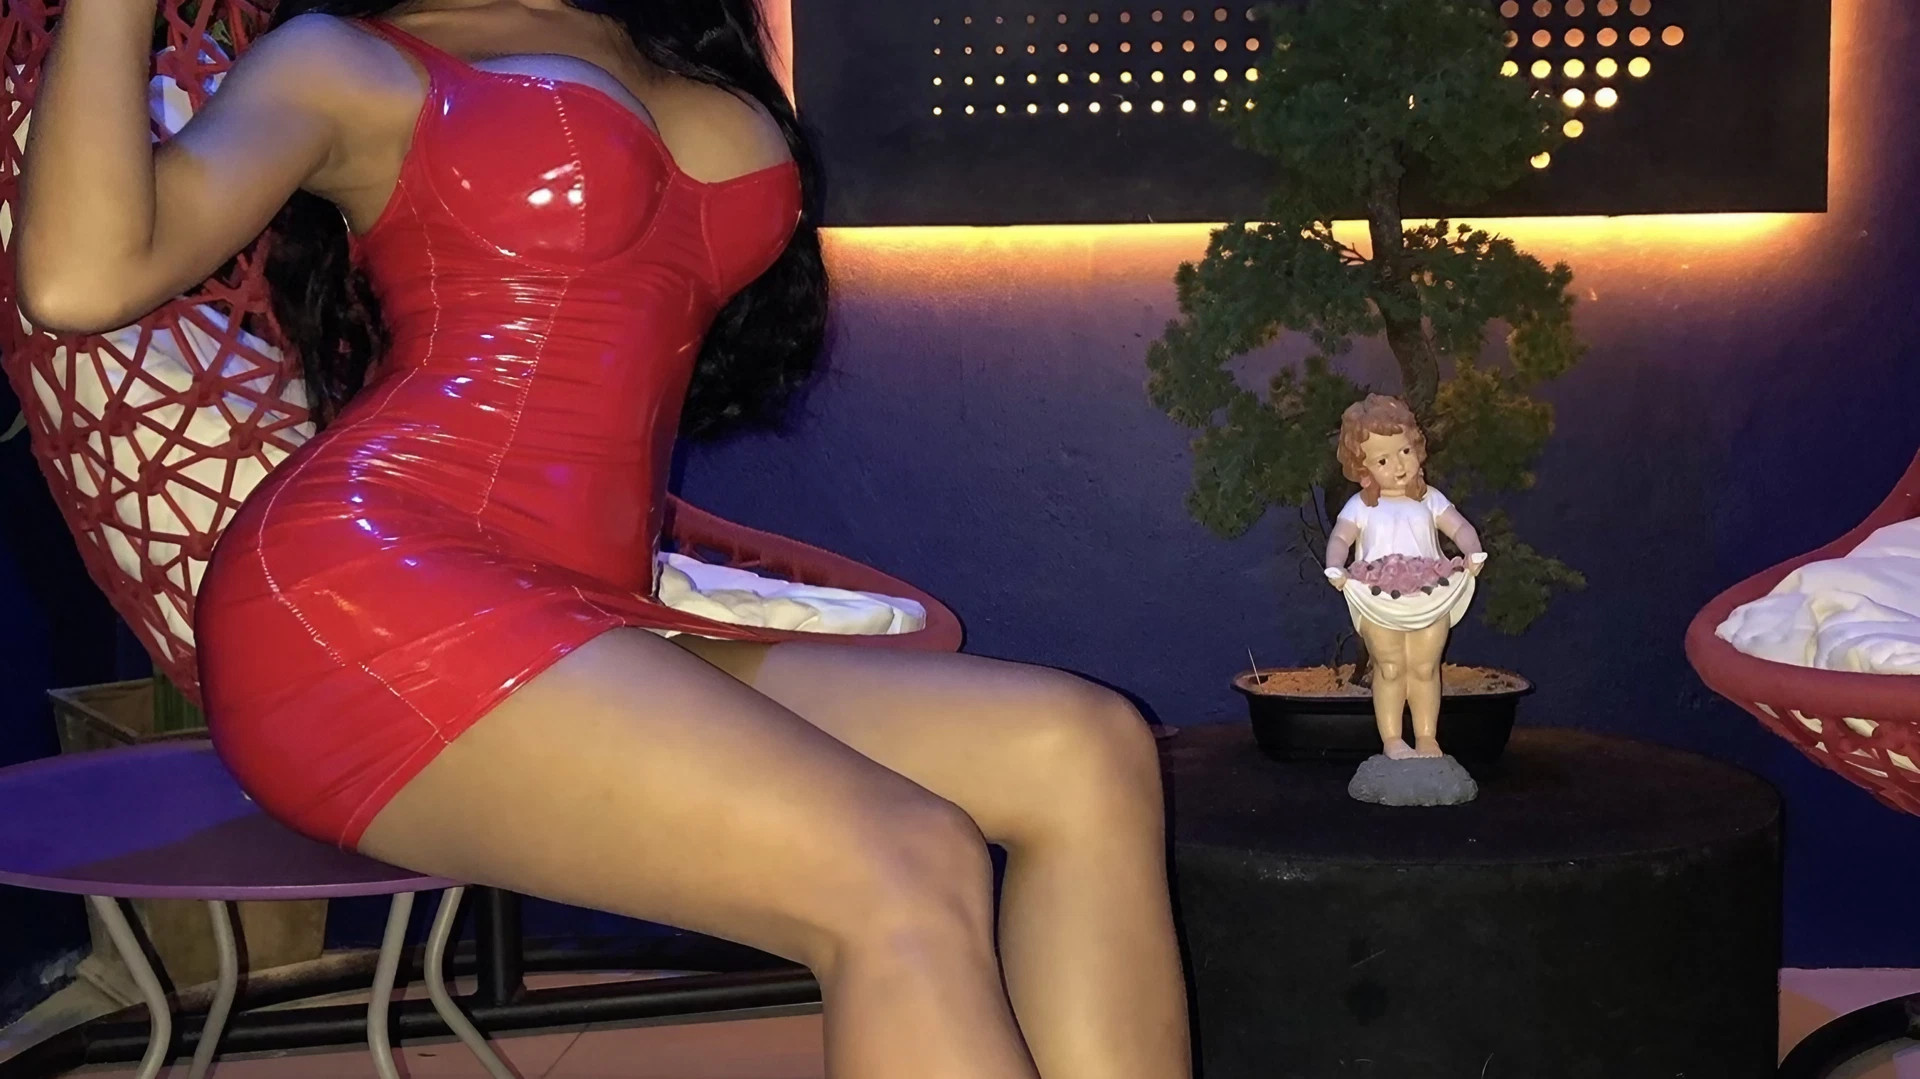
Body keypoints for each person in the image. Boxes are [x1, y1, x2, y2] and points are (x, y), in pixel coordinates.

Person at [11, 2, 1190, 1076]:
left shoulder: (661, 36)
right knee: (899, 863)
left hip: (587, 604)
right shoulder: (345, 61)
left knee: (1081, 750)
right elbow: (77, 280)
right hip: (370, 593)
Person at [1322, 394, 1486, 760]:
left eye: (1405, 451)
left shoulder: (1429, 499)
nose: (1398, 465)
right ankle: (1393, 739)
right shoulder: (1361, 507)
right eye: (1383, 459)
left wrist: (1472, 551)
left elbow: (1460, 528)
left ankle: (1427, 737)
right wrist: (1336, 565)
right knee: (1391, 667)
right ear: (1363, 467)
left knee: (1426, 667)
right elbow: (1341, 538)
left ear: (1417, 447)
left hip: (1430, 592)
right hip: (1380, 597)